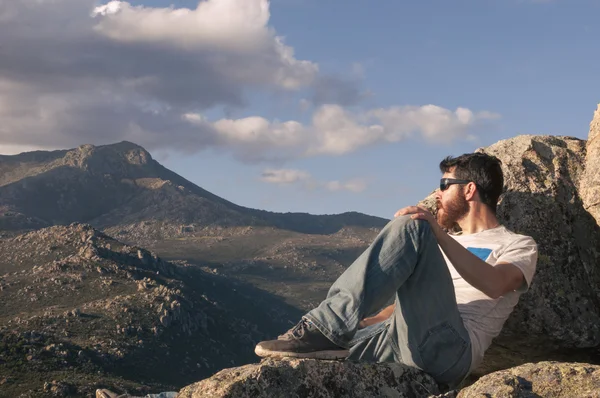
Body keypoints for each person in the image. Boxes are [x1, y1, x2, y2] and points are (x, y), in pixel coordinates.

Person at [254, 152, 538, 389]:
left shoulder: (517, 244)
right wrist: (358, 325)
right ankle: (325, 332)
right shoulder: (440, 244)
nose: (437, 194)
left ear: (469, 189)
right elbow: (408, 305)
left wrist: (436, 233)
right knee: (295, 361)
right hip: (400, 336)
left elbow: (495, 284)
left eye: (444, 184)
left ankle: (323, 328)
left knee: (412, 223)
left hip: (451, 347)